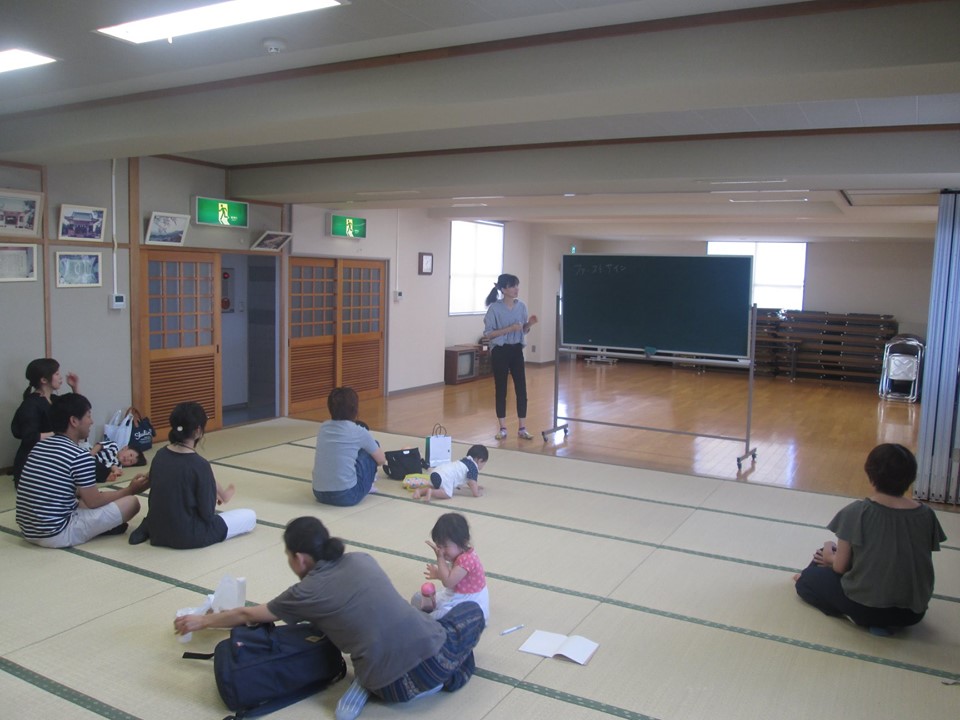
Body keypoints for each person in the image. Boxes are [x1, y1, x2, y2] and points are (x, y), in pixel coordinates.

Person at [174, 516, 485, 720]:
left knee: (433, 637)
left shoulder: (303, 595)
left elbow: (247, 614)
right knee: (470, 614)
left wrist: (201, 621)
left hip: (388, 686)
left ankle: (427, 678)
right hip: (433, 654)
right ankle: (452, 673)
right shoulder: (362, 559)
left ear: (298, 558)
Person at [793, 443, 946, 635]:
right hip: (913, 614)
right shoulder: (926, 515)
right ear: (911, 477)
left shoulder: (857, 512)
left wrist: (828, 551)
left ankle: (856, 617)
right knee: (825, 560)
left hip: (866, 607)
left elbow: (839, 567)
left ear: (871, 476)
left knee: (808, 578)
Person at [15, 393, 148, 548]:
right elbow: (94, 502)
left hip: (28, 530)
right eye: (88, 416)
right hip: (56, 533)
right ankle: (102, 529)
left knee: (84, 500)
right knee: (131, 503)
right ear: (74, 421)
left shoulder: (39, 446)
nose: (91, 422)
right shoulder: (79, 456)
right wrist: (130, 490)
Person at [128, 402, 256, 547]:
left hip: (158, 532)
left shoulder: (160, 455)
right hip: (190, 536)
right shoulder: (200, 465)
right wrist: (212, 496)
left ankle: (147, 525)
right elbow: (207, 514)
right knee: (250, 516)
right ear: (198, 431)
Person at [483, 273, 538, 441]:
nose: (516, 289)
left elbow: (523, 330)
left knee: (521, 387)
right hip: (500, 351)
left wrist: (529, 324)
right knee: (501, 388)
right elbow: (489, 334)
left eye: (517, 285)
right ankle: (503, 427)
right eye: (513, 286)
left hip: (516, 351)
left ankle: (522, 427)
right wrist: (509, 329)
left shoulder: (521, 306)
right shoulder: (494, 308)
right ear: (504, 289)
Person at [10, 358, 79, 487]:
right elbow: (30, 437)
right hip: (33, 465)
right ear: (44, 380)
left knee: (88, 469)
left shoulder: (53, 399)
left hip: (52, 458)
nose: (60, 377)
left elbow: (78, 409)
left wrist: (75, 387)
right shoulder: (30, 404)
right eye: (57, 374)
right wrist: (59, 433)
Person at [312, 387, 387, 506]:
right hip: (347, 495)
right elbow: (381, 460)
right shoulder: (359, 431)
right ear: (355, 408)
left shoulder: (323, 427)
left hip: (319, 493)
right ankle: (370, 484)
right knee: (373, 446)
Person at [413, 513, 490, 622]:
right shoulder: (458, 554)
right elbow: (453, 577)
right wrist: (438, 574)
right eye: (439, 546)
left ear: (463, 542)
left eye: (445, 546)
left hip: (469, 603)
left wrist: (440, 558)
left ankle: (424, 621)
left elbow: (448, 582)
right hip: (454, 595)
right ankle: (423, 618)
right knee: (417, 598)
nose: (442, 551)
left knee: (436, 617)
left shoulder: (467, 560)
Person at [413, 444, 489, 502]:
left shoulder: (465, 461)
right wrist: (476, 493)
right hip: (445, 476)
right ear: (480, 460)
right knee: (447, 494)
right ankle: (431, 492)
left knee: (436, 486)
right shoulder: (473, 468)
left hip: (436, 472)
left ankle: (419, 491)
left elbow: (469, 480)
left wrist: (476, 486)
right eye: (484, 463)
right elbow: (472, 482)